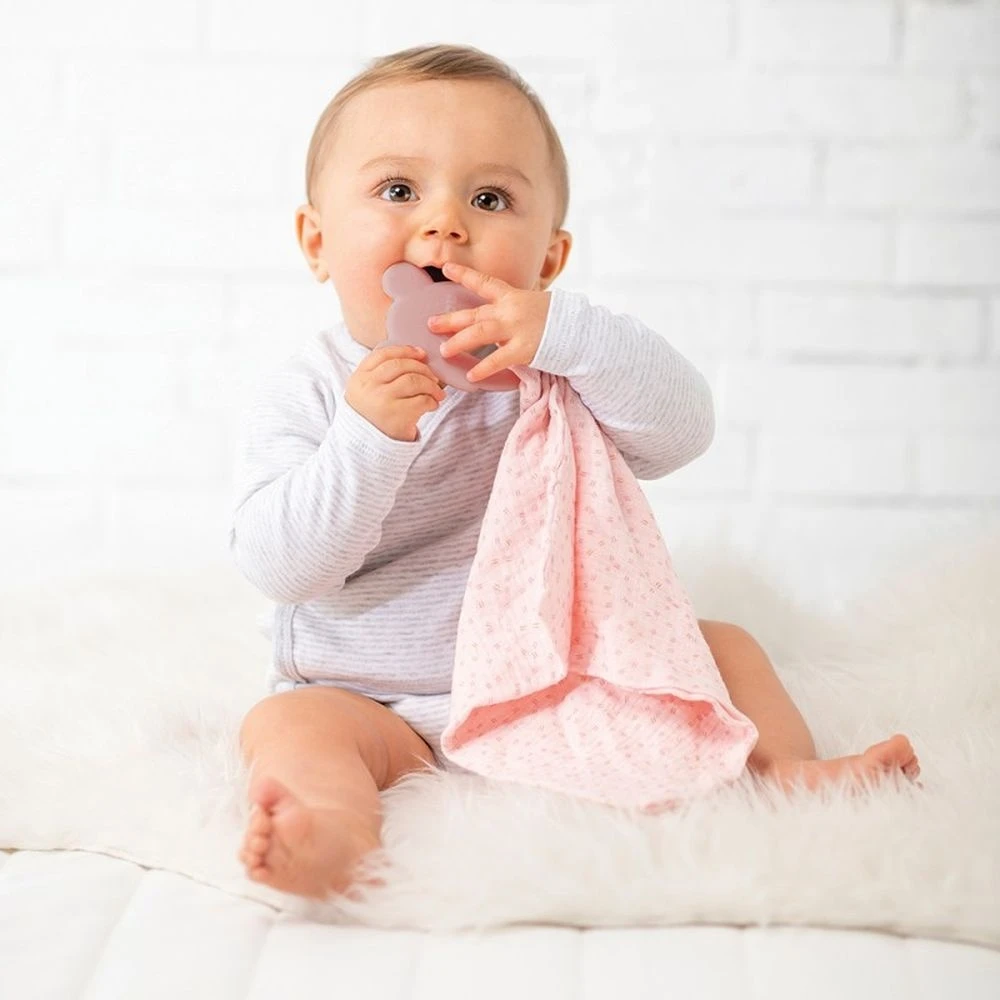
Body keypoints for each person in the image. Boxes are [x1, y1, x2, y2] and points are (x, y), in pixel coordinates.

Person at [230, 44, 920, 901]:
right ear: (317, 241)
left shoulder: (555, 372)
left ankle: (787, 773)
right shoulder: (312, 392)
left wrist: (567, 335)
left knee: (726, 647)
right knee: (287, 723)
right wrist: (367, 440)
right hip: (375, 700)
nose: (445, 223)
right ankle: (331, 827)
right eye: (399, 190)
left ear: (550, 261)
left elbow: (681, 431)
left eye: (489, 198)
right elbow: (280, 565)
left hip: (556, 683)